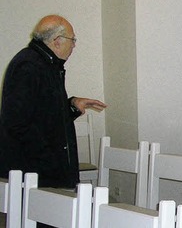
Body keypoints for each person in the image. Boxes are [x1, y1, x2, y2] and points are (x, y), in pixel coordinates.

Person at [0, 15, 107, 190]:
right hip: (36, 177)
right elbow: (17, 123)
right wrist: (50, 160)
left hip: (41, 174)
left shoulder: (45, 64)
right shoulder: (29, 66)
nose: (74, 45)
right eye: (72, 40)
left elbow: (44, 115)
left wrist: (73, 105)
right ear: (57, 41)